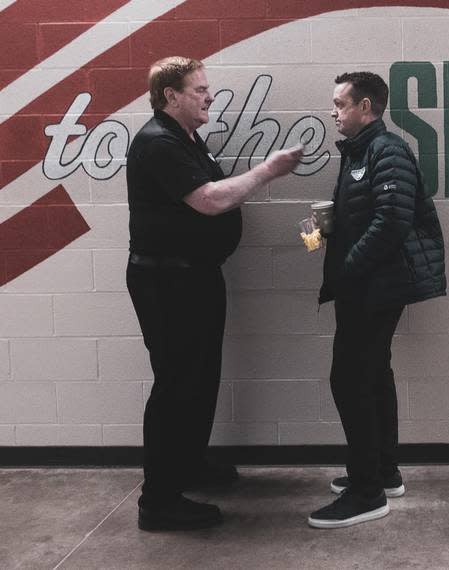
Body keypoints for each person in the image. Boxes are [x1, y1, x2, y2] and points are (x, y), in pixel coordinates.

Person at [126, 56, 304, 532]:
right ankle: (159, 501)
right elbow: (209, 200)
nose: (209, 96)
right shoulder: (157, 143)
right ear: (171, 96)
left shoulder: (185, 138)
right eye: (199, 89)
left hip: (194, 277)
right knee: (176, 385)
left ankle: (188, 467)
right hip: (167, 281)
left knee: (200, 379)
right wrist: (267, 171)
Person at [307, 71, 446, 529]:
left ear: (366, 107)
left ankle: (367, 492)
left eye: (340, 104)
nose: (333, 112)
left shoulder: (387, 150)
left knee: (351, 382)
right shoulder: (359, 153)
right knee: (373, 376)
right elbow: (367, 215)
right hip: (365, 286)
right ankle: (382, 473)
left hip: (373, 287)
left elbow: (391, 222)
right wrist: (327, 233)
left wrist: (347, 269)